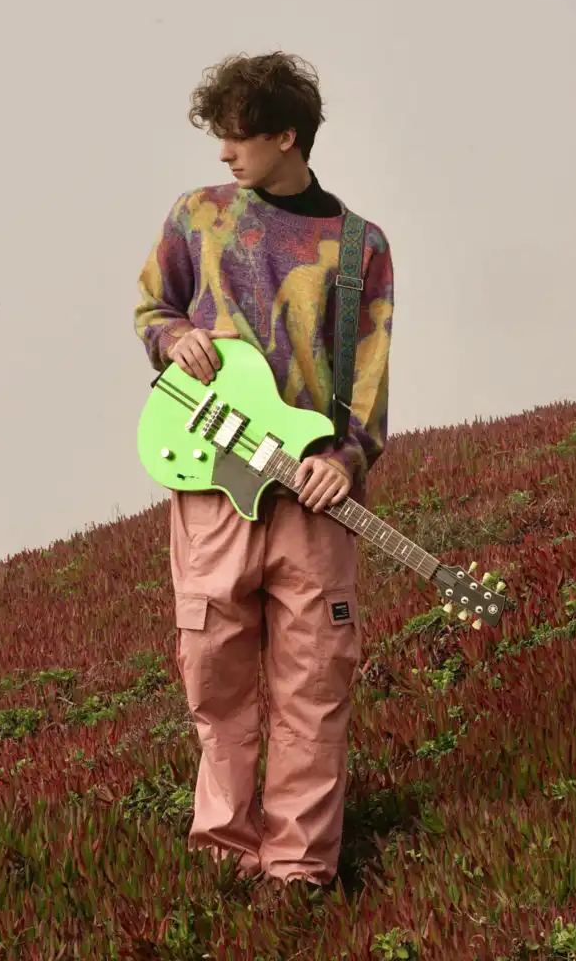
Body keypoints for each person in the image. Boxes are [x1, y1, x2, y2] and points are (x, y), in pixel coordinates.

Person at [133, 51, 394, 899]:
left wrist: (346, 458)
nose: (223, 152)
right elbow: (152, 307)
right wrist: (173, 337)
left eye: (239, 135)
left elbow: (369, 374)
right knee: (214, 680)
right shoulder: (197, 215)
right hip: (212, 487)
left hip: (312, 500)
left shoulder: (360, 247)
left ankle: (300, 876)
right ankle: (225, 862)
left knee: (315, 684)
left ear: (287, 136)